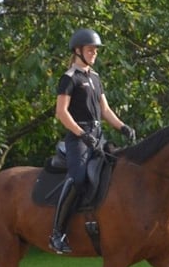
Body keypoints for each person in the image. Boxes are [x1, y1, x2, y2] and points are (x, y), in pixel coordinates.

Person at [49, 28, 136, 254]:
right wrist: (81, 133)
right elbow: (61, 112)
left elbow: (105, 110)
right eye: (90, 50)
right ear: (78, 51)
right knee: (78, 178)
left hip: (97, 136)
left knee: (119, 166)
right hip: (78, 138)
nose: (94, 53)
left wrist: (123, 127)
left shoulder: (95, 77)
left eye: (96, 50)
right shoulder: (69, 78)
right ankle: (57, 233)